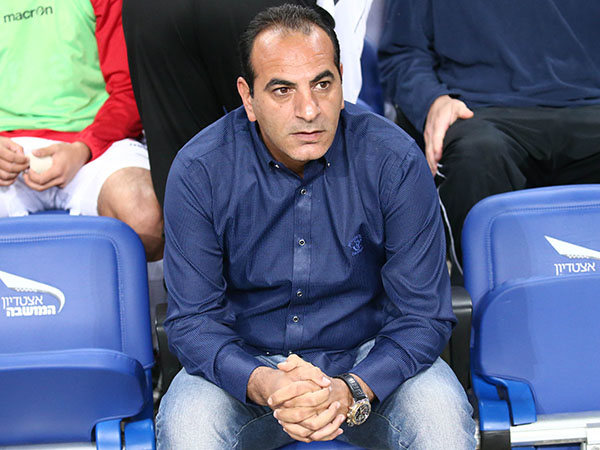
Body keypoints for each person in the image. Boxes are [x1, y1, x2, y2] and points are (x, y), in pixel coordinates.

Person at [157, 4, 475, 449]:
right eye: (282, 90)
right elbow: (193, 321)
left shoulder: (394, 160)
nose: (308, 110)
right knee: (189, 425)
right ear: (248, 98)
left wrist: (352, 388)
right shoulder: (200, 170)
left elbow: (423, 316)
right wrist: (266, 383)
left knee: (441, 416)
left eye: (322, 84)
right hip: (246, 371)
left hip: (370, 366)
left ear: (341, 80)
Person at [378, 1, 600, 272]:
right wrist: (433, 101)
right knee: (476, 154)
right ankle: (479, 292)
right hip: (479, 110)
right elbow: (403, 53)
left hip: (590, 106)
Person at [122, 0, 373, 207]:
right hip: (248, 9)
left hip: (152, 8)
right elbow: (333, 99)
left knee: (188, 176)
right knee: (310, 141)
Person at [0, 0, 163, 261]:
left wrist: (84, 148)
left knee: (145, 219)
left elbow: (129, 88)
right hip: (7, 149)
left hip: (96, 143)